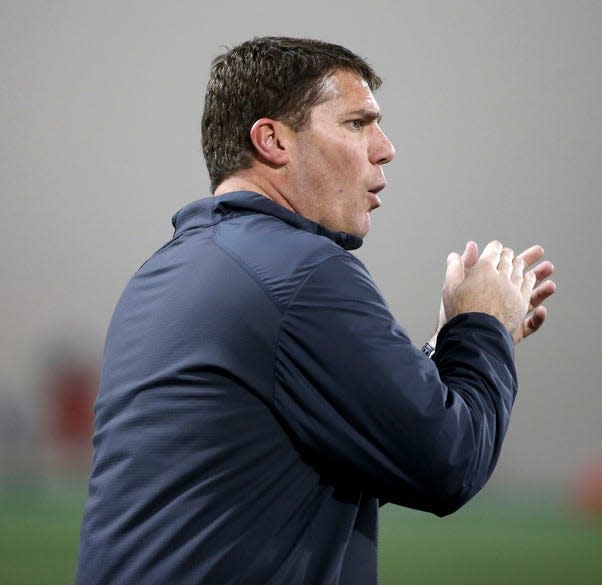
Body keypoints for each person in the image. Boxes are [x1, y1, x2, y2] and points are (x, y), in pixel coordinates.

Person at [76, 36, 555, 585]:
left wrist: (450, 342)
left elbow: (337, 450)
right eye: (357, 123)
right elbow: (447, 462)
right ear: (273, 139)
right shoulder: (301, 271)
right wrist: (484, 326)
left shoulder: (163, 275)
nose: (385, 147)